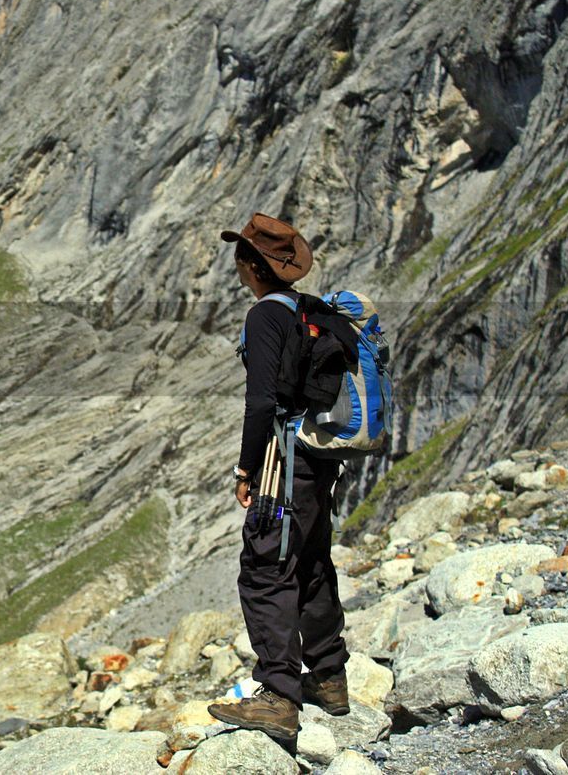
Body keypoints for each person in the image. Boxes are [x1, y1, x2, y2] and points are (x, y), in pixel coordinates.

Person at [205, 213, 350, 745]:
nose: (239, 266)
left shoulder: (265, 315)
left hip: (281, 461)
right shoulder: (310, 309)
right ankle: (329, 679)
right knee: (310, 559)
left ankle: (279, 695)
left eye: (242, 258)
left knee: (266, 565)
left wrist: (246, 466)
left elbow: (262, 400)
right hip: (318, 458)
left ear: (252, 266)